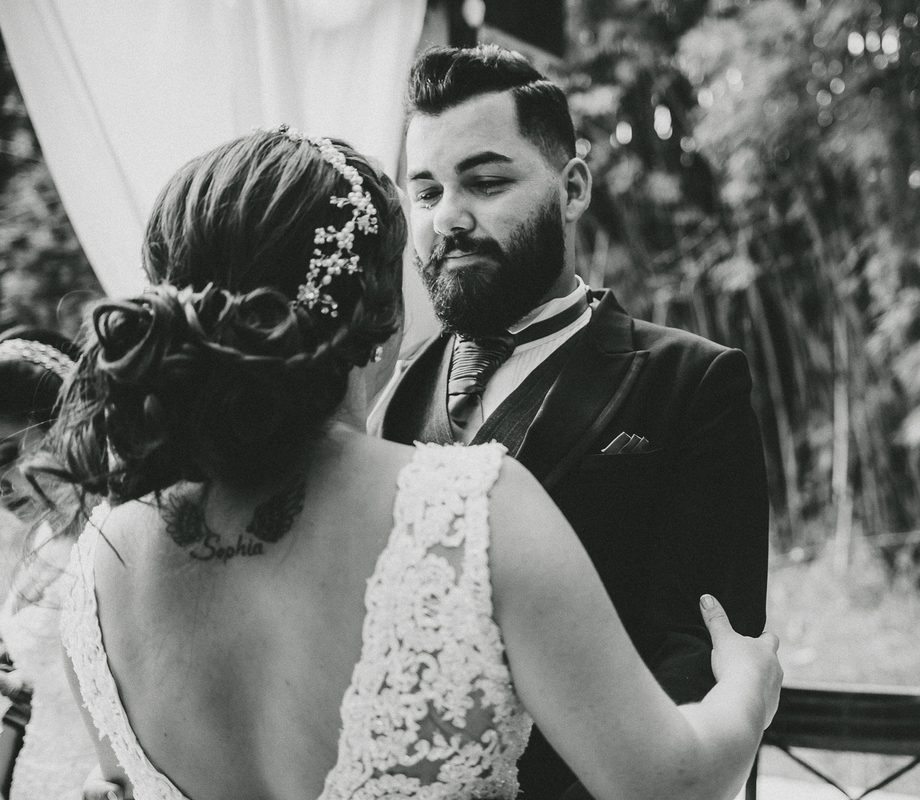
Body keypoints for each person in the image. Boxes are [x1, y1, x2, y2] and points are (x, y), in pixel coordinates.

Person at [39, 127, 781, 800]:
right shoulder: (470, 508)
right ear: (381, 308)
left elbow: (117, 780)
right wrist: (748, 692)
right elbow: (668, 785)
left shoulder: (97, 560)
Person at [369, 45, 771, 799]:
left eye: (486, 182)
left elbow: (701, 652)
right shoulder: (392, 393)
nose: (449, 218)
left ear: (574, 187)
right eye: (424, 193)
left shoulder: (694, 383)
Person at [0, 328, 96, 800]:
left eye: (5, 456)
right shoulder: (39, 537)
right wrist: (15, 683)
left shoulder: (112, 542)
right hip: (41, 772)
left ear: (63, 425)